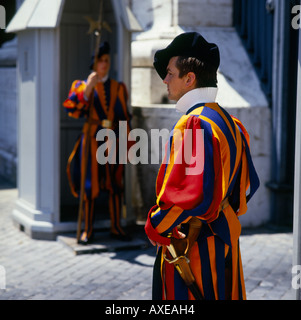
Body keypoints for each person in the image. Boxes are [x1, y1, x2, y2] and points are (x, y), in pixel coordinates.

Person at [144, 32, 260, 300]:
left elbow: (184, 197)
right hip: (224, 237)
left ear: (189, 79)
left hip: (194, 245)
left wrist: (156, 226)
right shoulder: (230, 122)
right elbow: (245, 187)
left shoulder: (194, 123)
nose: (165, 80)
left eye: (171, 73)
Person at [63, 41, 132, 244]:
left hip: (112, 140)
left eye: (107, 60)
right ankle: (88, 230)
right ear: (94, 63)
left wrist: (127, 145)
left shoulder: (119, 88)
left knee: (115, 183)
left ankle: (116, 227)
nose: (104, 64)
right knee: (89, 184)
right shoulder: (81, 86)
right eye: (100, 60)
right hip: (91, 139)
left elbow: (124, 117)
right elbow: (73, 110)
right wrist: (88, 88)